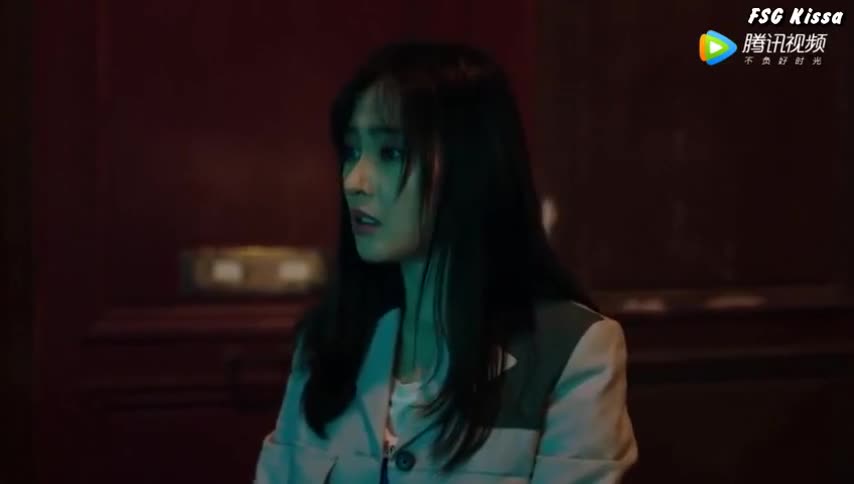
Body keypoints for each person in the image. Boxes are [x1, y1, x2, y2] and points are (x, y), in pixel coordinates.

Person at [254, 41, 638, 483]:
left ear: (470, 164)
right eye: (352, 151)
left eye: (390, 153)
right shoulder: (330, 343)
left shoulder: (570, 352)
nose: (354, 181)